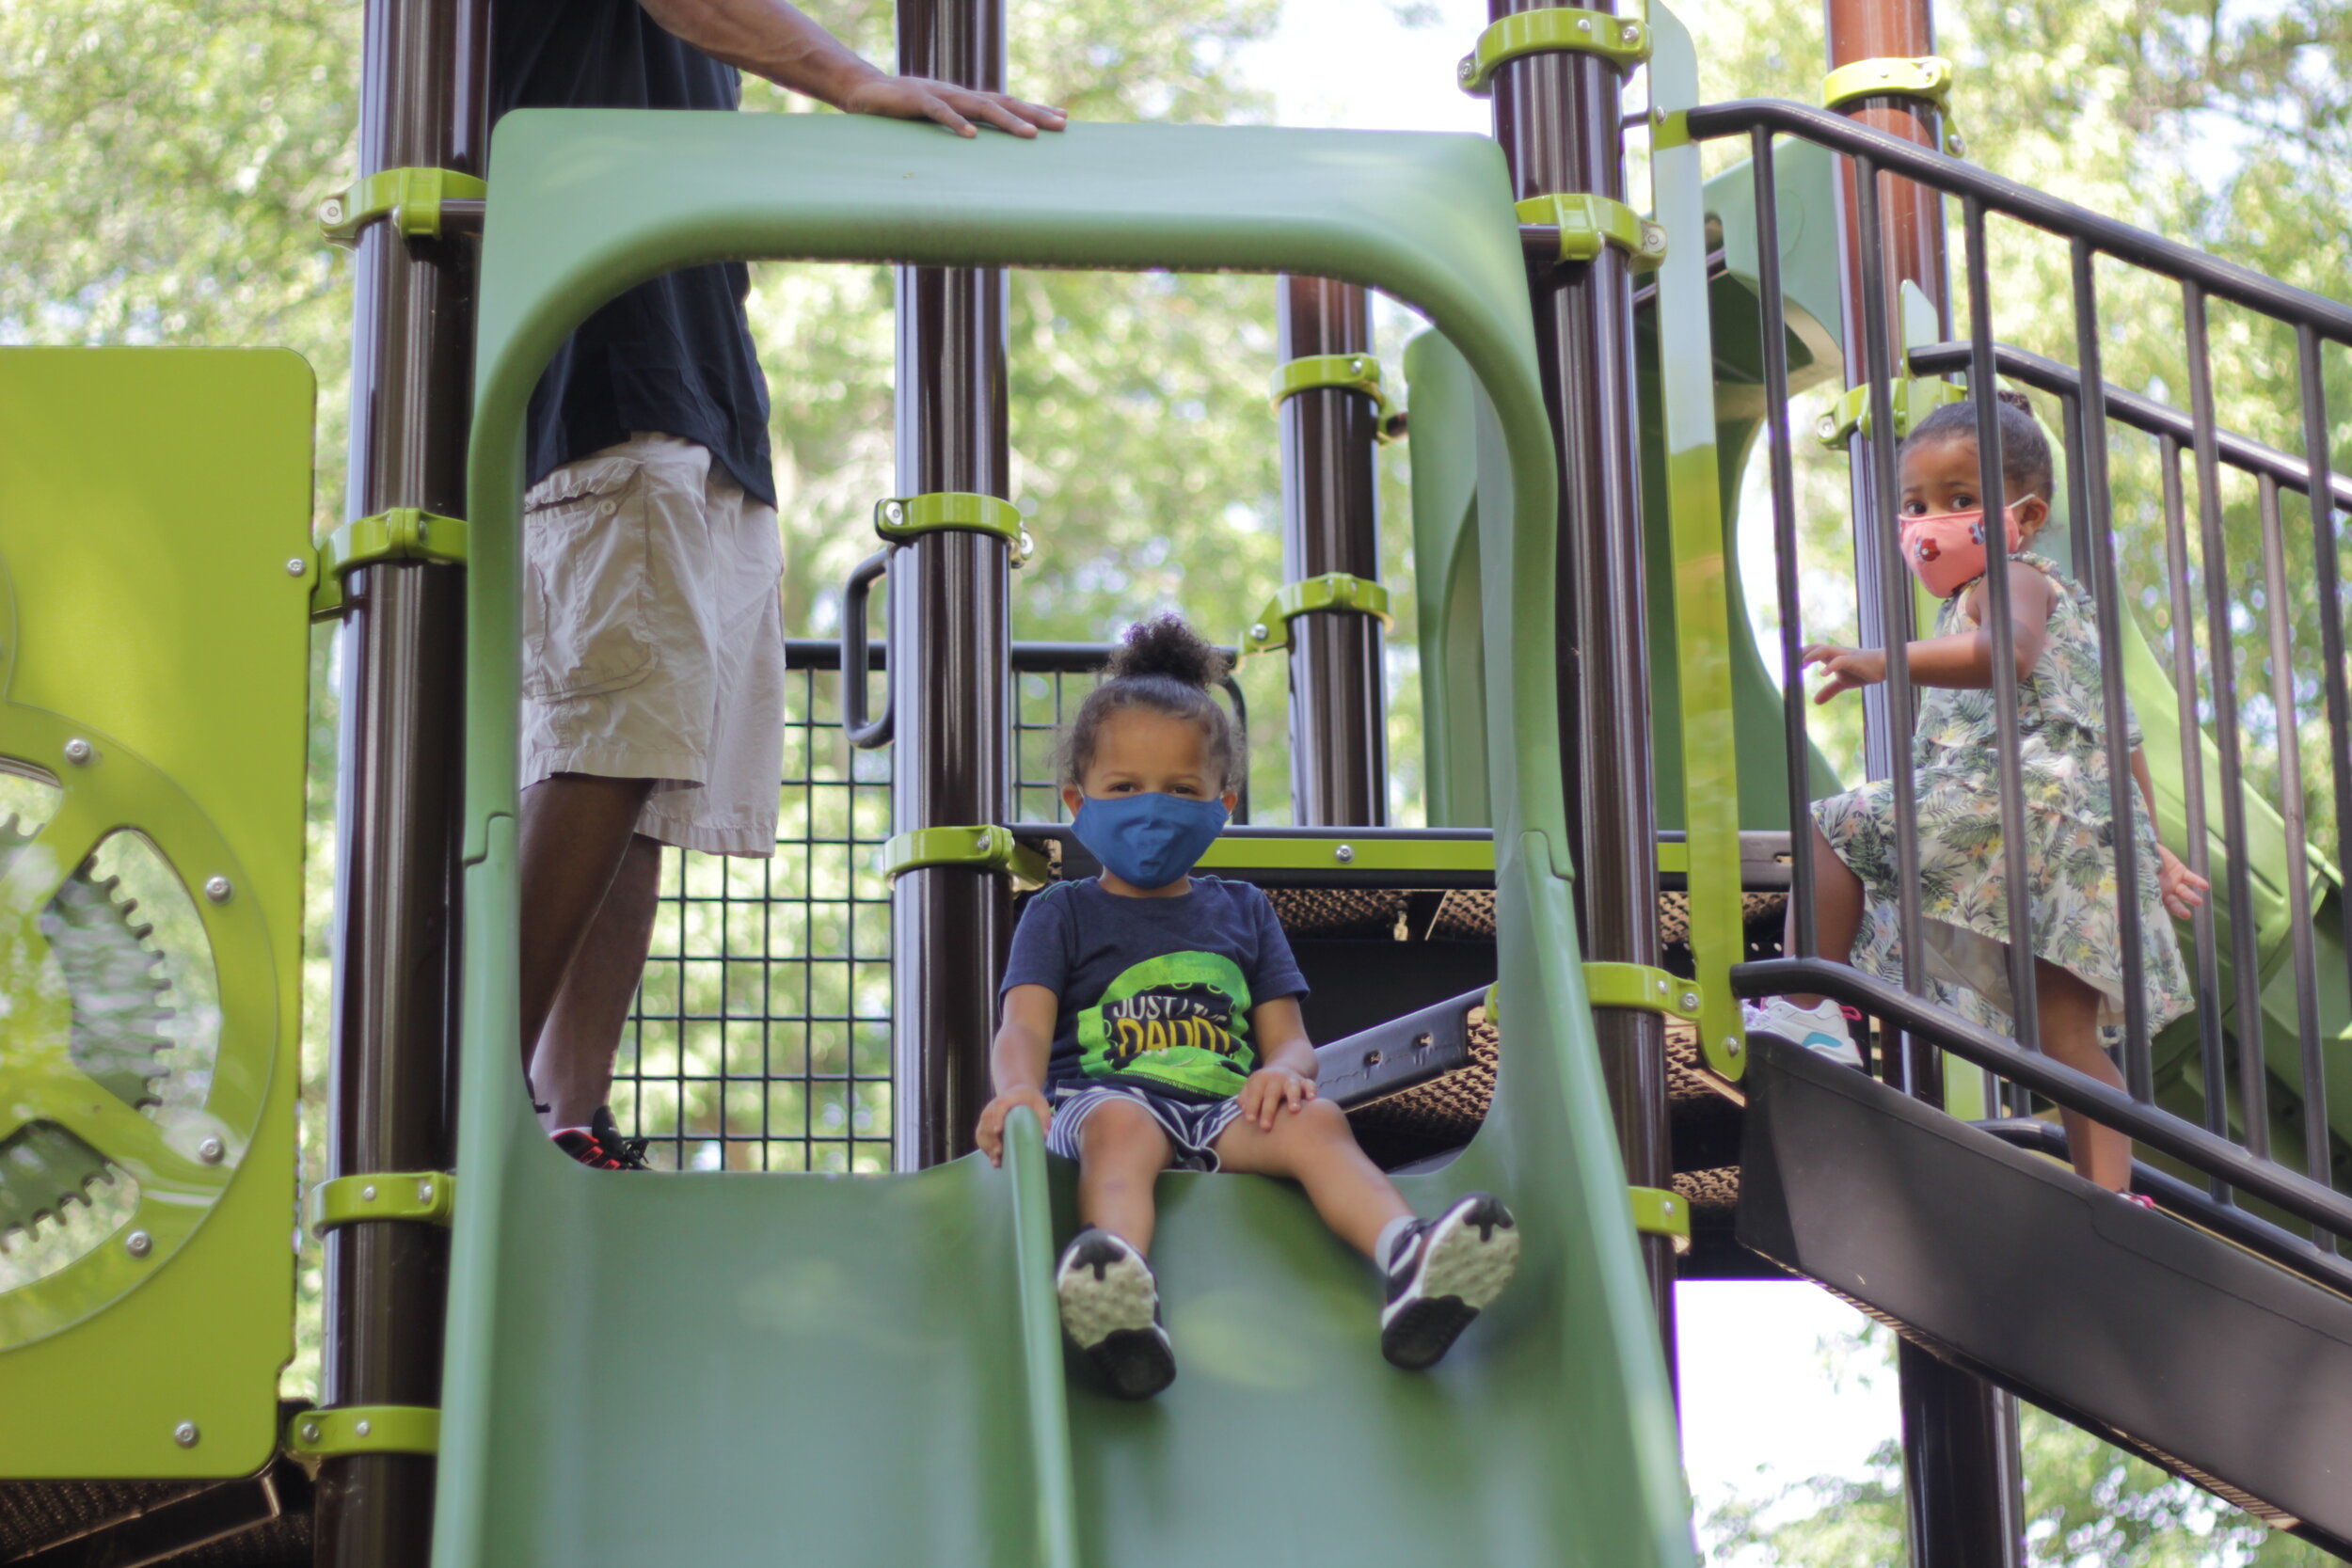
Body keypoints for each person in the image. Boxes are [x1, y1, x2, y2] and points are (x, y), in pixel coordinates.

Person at [496, 0, 1065, 1169]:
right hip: (606, 374)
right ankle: (472, 1094)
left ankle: (569, 1112)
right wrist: (851, 76)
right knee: (610, 740)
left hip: (691, 381)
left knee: (646, 772)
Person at [973, 616, 1520, 1398]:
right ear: (1077, 799)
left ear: (1221, 803)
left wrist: (1286, 1076)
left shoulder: (1243, 910)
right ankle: (1118, 1292)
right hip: (1099, 1102)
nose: (1152, 809)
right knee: (1124, 1126)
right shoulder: (1061, 912)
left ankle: (1408, 1257)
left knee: (1319, 1119)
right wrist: (1018, 1090)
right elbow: (1022, 1024)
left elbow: (1288, 1040)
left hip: (1223, 1113)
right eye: (1124, 788)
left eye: (1182, 789)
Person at [1742, 389, 2208, 1195]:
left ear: (2024, 518)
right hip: (2071, 835)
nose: (1930, 522)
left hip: (2012, 807)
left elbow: (2011, 658)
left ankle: (1811, 1003)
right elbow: (2116, 734)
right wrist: (2150, 845)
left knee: (1837, 828)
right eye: (1916, 504)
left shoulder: (2012, 581)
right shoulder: (2059, 607)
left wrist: (1882, 659)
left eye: (1960, 502)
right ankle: (2114, 1197)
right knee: (2068, 1031)